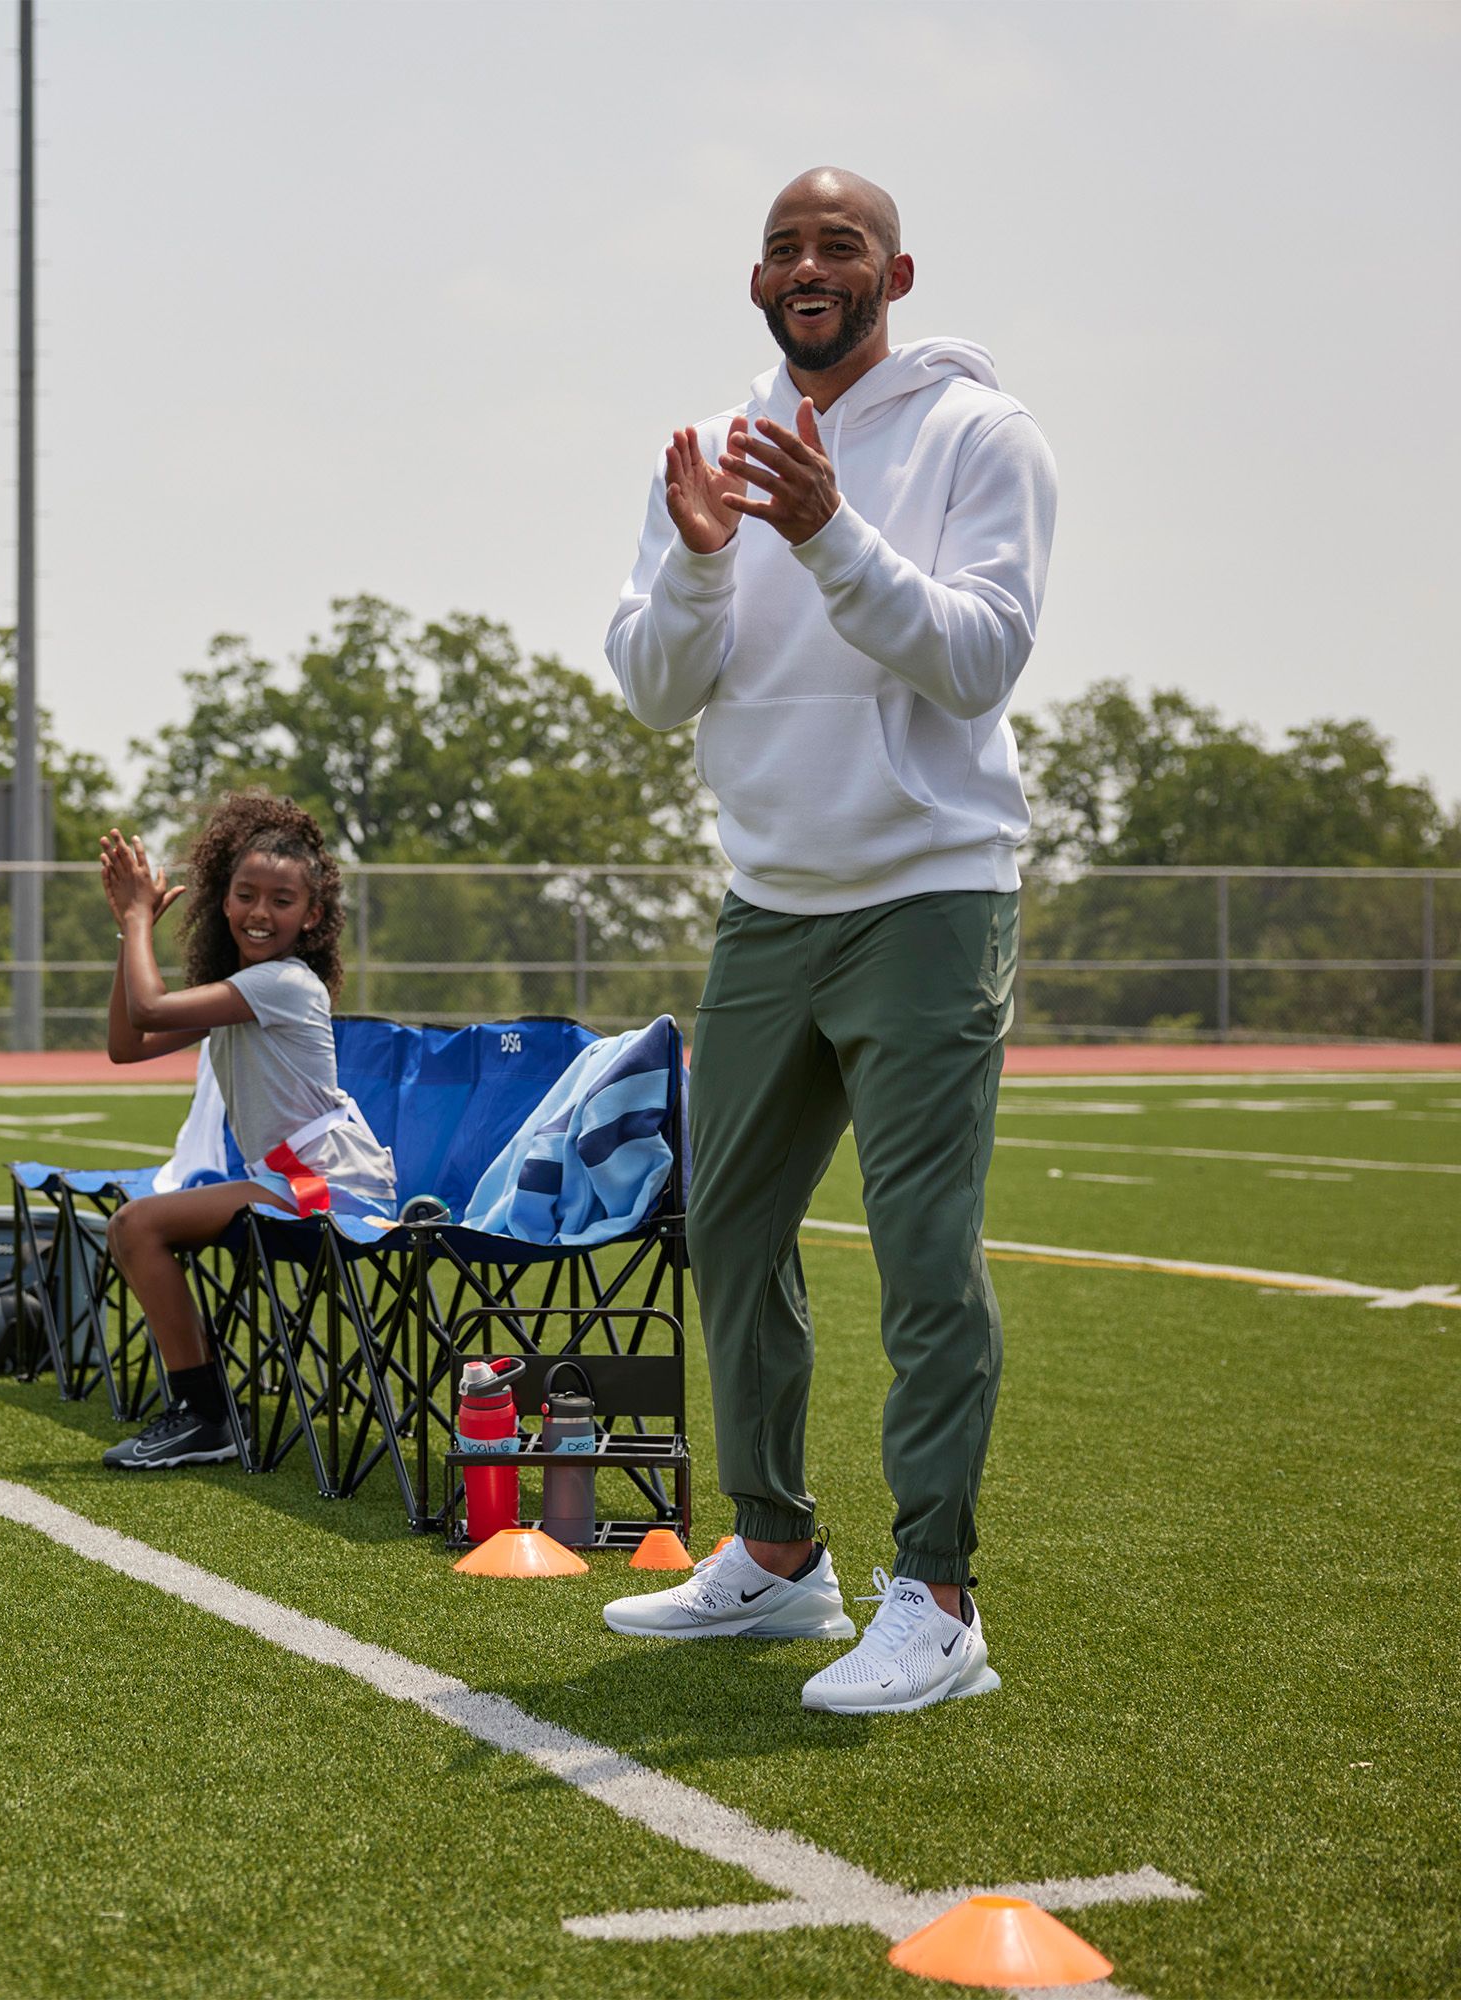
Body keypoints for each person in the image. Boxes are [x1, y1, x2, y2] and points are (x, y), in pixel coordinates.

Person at [598, 167, 1058, 1714]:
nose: (812, 264)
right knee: (727, 1230)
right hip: (768, 904)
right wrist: (705, 552)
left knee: (925, 1255)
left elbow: (980, 656)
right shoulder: (715, 449)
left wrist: (833, 530)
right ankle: (781, 1560)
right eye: (788, 247)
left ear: (896, 272)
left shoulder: (981, 435)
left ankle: (939, 1597)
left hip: (930, 894)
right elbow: (658, 689)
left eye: (839, 244)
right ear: (757, 282)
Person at [96, 792, 396, 1470]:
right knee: (133, 1225)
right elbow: (126, 1041)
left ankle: (204, 1417)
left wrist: (142, 916)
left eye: (281, 901)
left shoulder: (284, 983)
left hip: (326, 1185)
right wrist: (128, 933)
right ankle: (203, 1414)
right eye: (246, 895)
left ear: (312, 916)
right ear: (223, 902)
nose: (260, 913)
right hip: (291, 1177)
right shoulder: (248, 987)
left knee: (137, 1226)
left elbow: (148, 1005)